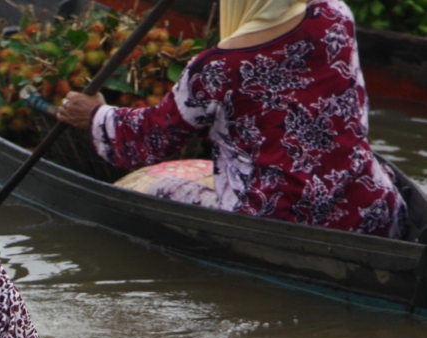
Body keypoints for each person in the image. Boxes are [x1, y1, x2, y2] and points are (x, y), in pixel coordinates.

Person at [56, 0, 407, 238]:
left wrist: (95, 114)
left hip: (275, 222)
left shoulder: (216, 67)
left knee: (158, 188)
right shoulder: (337, 15)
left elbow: (148, 140)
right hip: (373, 208)